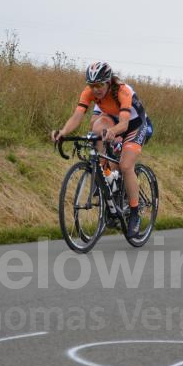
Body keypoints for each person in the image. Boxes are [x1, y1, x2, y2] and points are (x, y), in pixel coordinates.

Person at [52, 62, 148, 237]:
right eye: (92, 85)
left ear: (108, 82)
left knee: (126, 166)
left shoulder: (122, 91)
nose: (95, 89)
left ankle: (134, 213)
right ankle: (104, 174)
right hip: (112, 122)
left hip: (135, 125)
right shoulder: (89, 92)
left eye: (99, 85)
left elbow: (125, 123)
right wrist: (63, 132)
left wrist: (113, 132)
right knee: (96, 129)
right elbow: (78, 115)